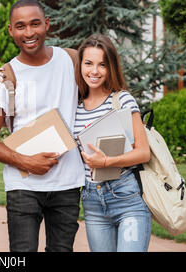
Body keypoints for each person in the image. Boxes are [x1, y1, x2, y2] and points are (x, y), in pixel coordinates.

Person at [0, 0, 85, 252]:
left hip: (67, 183)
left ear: (47, 24)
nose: (28, 33)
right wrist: (25, 162)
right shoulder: (2, 78)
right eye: (20, 26)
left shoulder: (73, 61)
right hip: (23, 185)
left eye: (35, 24)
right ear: (10, 30)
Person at [74, 34, 151, 252]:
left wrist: (107, 161)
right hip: (92, 201)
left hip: (127, 197)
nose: (94, 71)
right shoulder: (75, 106)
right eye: (88, 63)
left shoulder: (122, 100)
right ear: (80, 65)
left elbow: (143, 153)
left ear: (111, 68)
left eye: (102, 65)